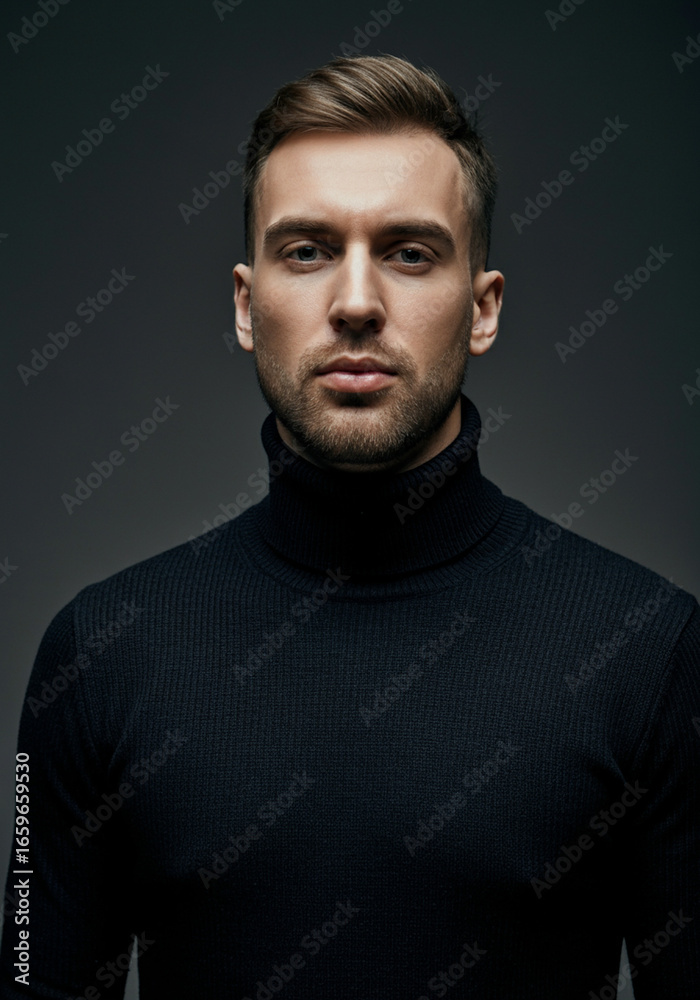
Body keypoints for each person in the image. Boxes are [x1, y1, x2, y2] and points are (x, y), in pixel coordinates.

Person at [1, 53, 698, 999]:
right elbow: (28, 977)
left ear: (483, 308)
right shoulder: (97, 655)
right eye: (308, 250)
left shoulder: (649, 652)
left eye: (410, 252)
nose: (358, 303)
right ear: (248, 307)